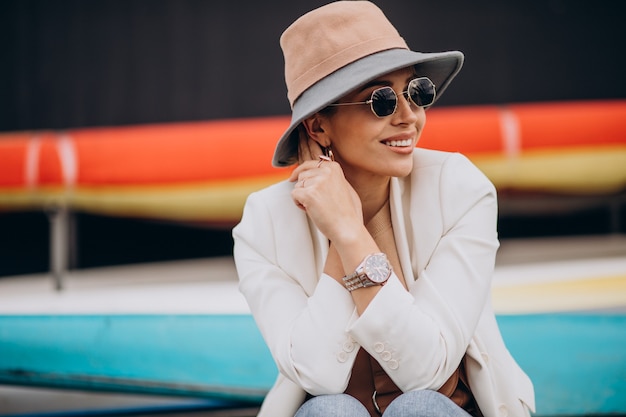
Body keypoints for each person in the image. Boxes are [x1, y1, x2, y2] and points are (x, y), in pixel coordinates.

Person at [232, 2, 535, 417]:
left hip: (441, 408)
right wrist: (339, 224)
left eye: (417, 92)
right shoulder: (265, 222)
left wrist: (349, 231)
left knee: (420, 407)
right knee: (329, 411)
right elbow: (316, 376)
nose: (409, 116)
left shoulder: (459, 187)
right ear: (318, 125)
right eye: (381, 101)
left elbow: (425, 372)